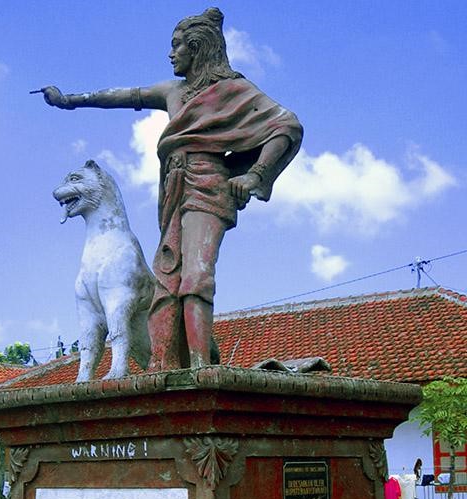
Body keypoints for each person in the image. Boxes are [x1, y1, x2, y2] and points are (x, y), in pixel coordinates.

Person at [41, 8, 303, 370]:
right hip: (173, 188)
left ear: (196, 48)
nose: (170, 54)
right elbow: (126, 95)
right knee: (167, 280)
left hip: (208, 185)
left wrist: (255, 175)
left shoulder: (233, 91)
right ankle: (164, 363)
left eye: (176, 46)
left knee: (196, 275)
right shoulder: (173, 92)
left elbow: (285, 125)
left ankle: (200, 367)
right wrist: (71, 100)